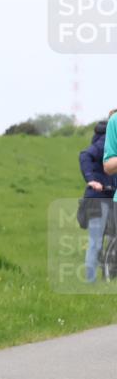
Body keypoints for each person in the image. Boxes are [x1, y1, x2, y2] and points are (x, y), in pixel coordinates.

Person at [79, 118, 116, 282]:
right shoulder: (103, 142)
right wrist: (91, 179)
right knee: (96, 243)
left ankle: (105, 277)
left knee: (109, 242)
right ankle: (90, 282)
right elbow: (85, 155)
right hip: (98, 200)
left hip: (109, 198)